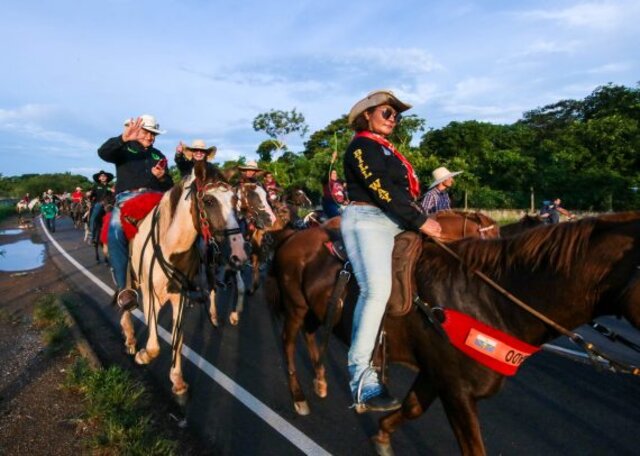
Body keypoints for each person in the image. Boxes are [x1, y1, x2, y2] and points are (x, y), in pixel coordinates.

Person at [341, 89, 442, 412]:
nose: (393, 119)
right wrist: (420, 220)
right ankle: (361, 378)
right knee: (377, 290)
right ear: (367, 116)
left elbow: (400, 193)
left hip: (397, 218)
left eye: (395, 115)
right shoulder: (361, 146)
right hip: (368, 219)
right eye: (387, 113)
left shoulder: (388, 150)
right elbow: (381, 189)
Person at [98, 114, 174, 310]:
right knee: (115, 228)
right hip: (127, 199)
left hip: (157, 199)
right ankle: (125, 287)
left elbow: (169, 185)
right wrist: (123, 138)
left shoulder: (159, 155)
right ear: (136, 130)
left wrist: (163, 176)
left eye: (153, 134)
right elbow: (103, 152)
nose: (150, 137)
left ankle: (187, 275)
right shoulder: (123, 149)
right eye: (147, 132)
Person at [88, 170, 114, 244]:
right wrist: (89, 195)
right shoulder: (96, 186)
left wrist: (113, 191)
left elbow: (114, 195)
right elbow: (91, 195)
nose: (103, 177)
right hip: (98, 204)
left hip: (109, 204)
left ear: (107, 178)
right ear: (99, 178)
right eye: (101, 176)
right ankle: (91, 236)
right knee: (93, 217)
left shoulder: (110, 187)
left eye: (104, 176)